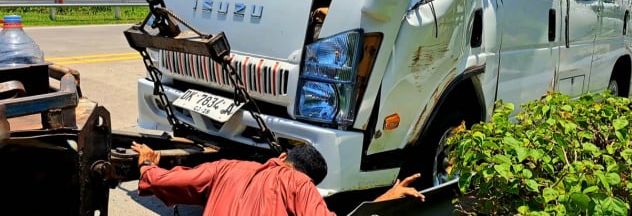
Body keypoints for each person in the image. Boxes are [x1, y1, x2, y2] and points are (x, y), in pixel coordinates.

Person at [132, 141, 425, 216]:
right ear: (312, 179)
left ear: (284, 157)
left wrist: (147, 164)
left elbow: (169, 182)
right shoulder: (300, 185)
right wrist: (383, 200)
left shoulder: (226, 167)